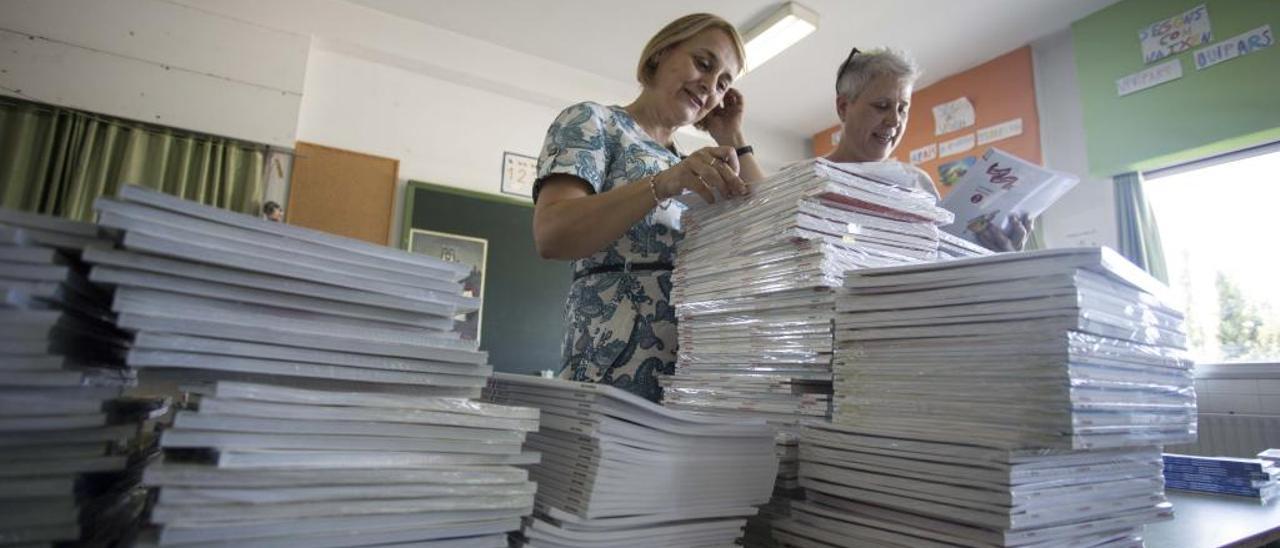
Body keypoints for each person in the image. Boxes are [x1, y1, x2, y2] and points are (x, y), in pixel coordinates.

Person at [531, 13, 764, 402]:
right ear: (660, 53)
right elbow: (552, 234)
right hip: (609, 376)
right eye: (703, 64)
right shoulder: (594, 123)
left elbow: (771, 219)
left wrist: (733, 135)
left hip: (693, 379)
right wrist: (665, 183)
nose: (710, 86)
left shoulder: (697, 164)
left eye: (723, 84)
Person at [824, 47, 1032, 251]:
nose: (895, 120)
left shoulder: (919, 183)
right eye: (881, 106)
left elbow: (944, 260)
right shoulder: (810, 182)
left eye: (902, 108)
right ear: (843, 108)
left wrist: (997, 255)